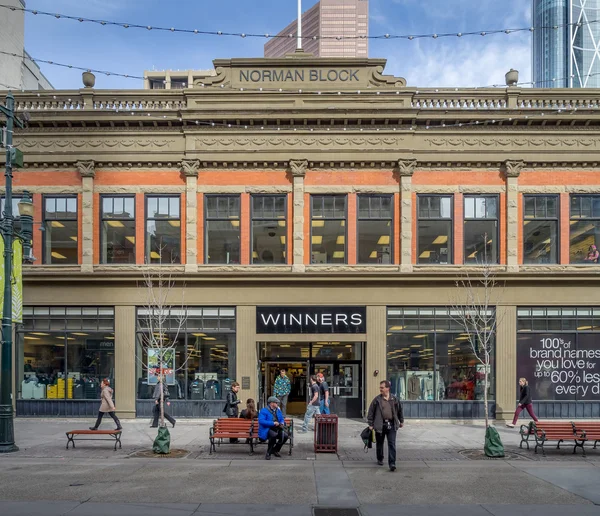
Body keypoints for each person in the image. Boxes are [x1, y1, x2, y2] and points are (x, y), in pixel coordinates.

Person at [367, 379, 404, 472]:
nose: (380, 389)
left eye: (382, 387)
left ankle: (392, 463)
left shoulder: (394, 399)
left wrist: (401, 421)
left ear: (387, 388)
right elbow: (371, 412)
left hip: (391, 424)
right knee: (380, 443)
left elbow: (399, 410)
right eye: (380, 387)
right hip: (380, 425)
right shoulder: (377, 400)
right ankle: (380, 458)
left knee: (392, 444)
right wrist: (370, 424)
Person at [258, 396, 288, 460]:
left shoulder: (278, 410)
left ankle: (275, 450)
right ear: (271, 403)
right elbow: (261, 421)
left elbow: (281, 418)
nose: (277, 404)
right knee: (273, 435)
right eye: (276, 403)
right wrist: (273, 423)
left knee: (285, 436)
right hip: (267, 429)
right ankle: (268, 453)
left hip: (277, 428)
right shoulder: (264, 410)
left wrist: (282, 422)